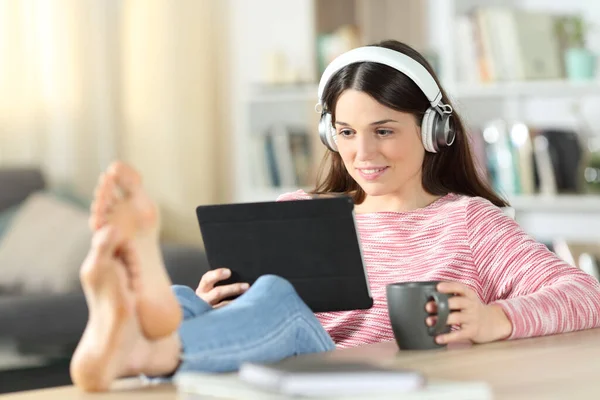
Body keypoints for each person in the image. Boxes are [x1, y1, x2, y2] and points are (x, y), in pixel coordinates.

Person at [70, 40, 600, 392]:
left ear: (435, 132)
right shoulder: (296, 212)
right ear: (331, 135)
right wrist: (223, 305)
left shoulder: (467, 223)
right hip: (269, 373)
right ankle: (154, 335)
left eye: (384, 130)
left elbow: (585, 296)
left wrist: (495, 320)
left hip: (359, 381)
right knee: (190, 297)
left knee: (277, 296)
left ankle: (150, 347)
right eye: (346, 132)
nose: (364, 153)